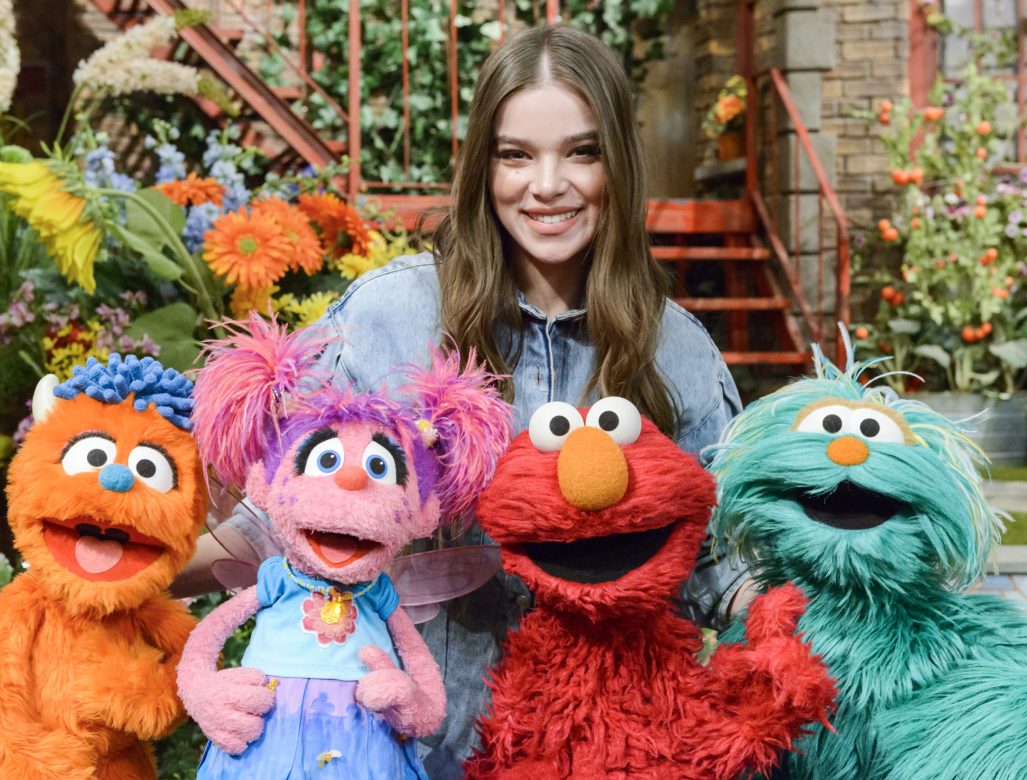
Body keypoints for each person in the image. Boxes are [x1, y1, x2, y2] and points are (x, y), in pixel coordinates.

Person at [175, 24, 749, 778]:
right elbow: (281, 515)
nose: (548, 185)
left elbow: (725, 565)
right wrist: (121, 566)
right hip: (412, 750)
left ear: (620, 162)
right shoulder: (394, 315)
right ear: (484, 165)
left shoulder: (676, 349)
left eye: (582, 152)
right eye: (516, 155)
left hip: (606, 754)